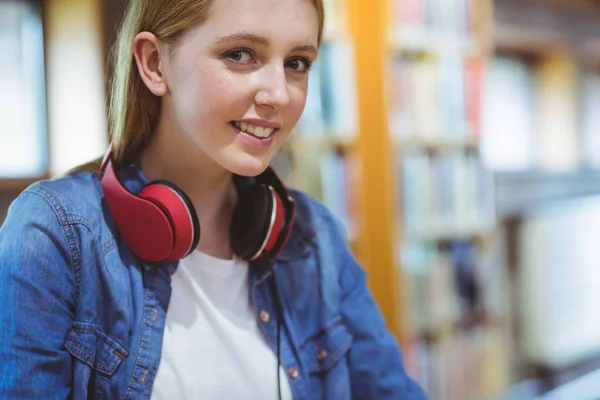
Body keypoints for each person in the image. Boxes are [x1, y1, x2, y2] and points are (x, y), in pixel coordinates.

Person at [0, 0, 427, 398]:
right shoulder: (55, 235)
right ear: (154, 64)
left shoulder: (315, 238)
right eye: (240, 54)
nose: (278, 94)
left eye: (297, 63)